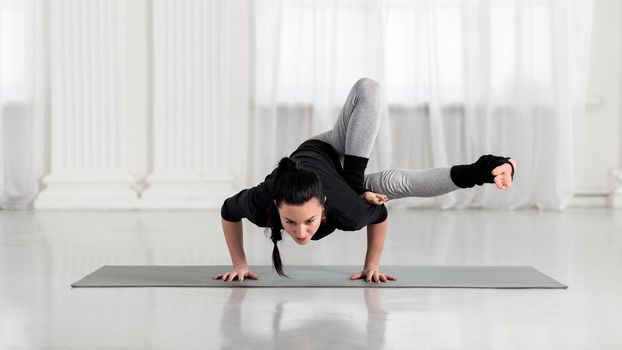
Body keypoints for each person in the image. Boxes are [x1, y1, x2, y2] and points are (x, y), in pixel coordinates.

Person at [214, 78, 516, 283]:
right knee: (392, 183)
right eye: (291, 223)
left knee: (369, 89)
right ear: (277, 208)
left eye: (309, 220)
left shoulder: (348, 209)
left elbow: (380, 215)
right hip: (331, 177)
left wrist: (371, 263)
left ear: (324, 206)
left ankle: (491, 165)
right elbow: (229, 211)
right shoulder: (261, 201)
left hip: (328, 148)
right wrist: (239, 264)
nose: (302, 232)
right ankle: (486, 170)